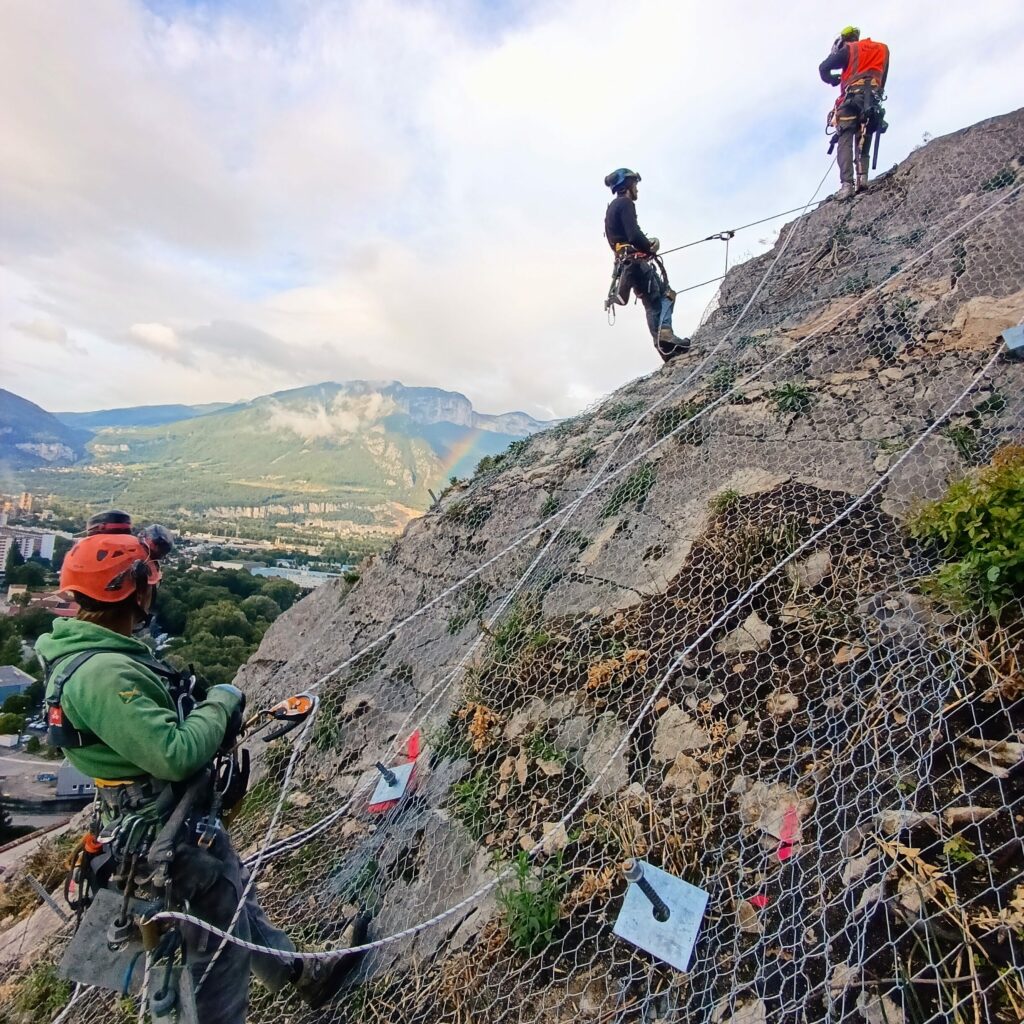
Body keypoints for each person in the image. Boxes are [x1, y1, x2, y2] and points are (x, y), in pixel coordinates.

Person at [36, 512, 363, 1023]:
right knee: (215, 964)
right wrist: (222, 700)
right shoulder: (103, 673)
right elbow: (176, 752)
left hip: (170, 821)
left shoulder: (89, 652)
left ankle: (298, 974)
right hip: (167, 838)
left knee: (234, 900)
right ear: (136, 592)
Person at [604, 168, 690, 362]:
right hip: (635, 262)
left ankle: (664, 347)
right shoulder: (625, 203)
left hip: (627, 265)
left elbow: (629, 235)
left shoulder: (612, 208)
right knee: (663, 298)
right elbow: (634, 235)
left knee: (654, 302)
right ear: (627, 186)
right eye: (635, 185)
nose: (637, 189)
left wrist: (645, 244)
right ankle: (665, 337)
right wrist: (650, 246)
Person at [819, 26, 890, 199]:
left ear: (844, 41)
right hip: (872, 98)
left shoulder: (849, 50)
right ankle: (863, 179)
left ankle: (847, 185)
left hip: (852, 97)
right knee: (865, 131)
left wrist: (832, 79)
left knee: (845, 136)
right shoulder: (883, 49)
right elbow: (883, 79)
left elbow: (823, 67)